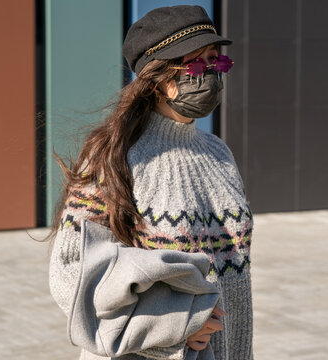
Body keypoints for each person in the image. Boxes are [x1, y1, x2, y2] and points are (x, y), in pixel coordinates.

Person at [48, 5, 253, 360]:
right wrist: (178, 325)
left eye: (216, 61)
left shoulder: (220, 153)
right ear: (159, 78)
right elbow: (69, 276)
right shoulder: (113, 157)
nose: (212, 74)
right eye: (197, 64)